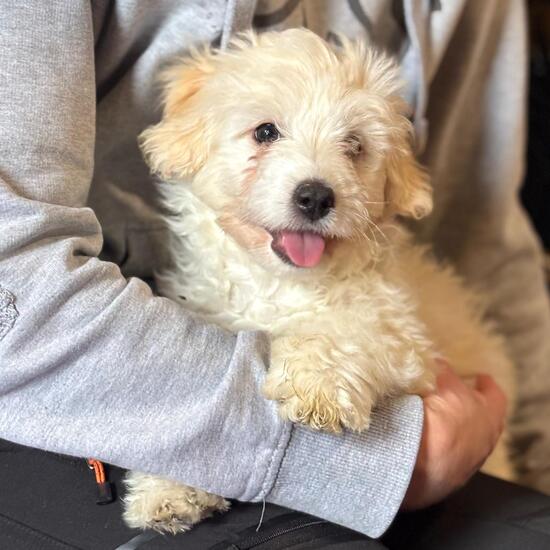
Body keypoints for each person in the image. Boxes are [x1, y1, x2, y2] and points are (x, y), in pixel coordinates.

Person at [0, 1, 549, 549]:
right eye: (266, 133)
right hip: (63, 387)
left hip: (461, 446)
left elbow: (485, 243)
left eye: (353, 147)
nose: (315, 184)